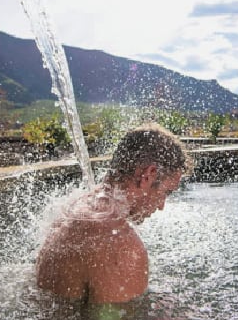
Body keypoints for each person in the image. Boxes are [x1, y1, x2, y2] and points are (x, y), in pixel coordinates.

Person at [35, 124, 191, 306]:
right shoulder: (119, 245)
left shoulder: (75, 208)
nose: (162, 205)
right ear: (149, 175)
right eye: (167, 192)